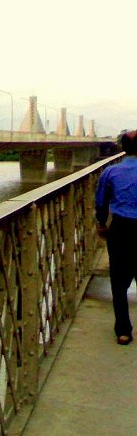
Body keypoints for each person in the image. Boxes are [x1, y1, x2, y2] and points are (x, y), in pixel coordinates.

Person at [96, 130, 137, 345]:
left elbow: (101, 202)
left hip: (121, 229)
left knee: (119, 281)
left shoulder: (111, 172)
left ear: (123, 148)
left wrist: (102, 224)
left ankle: (123, 331)